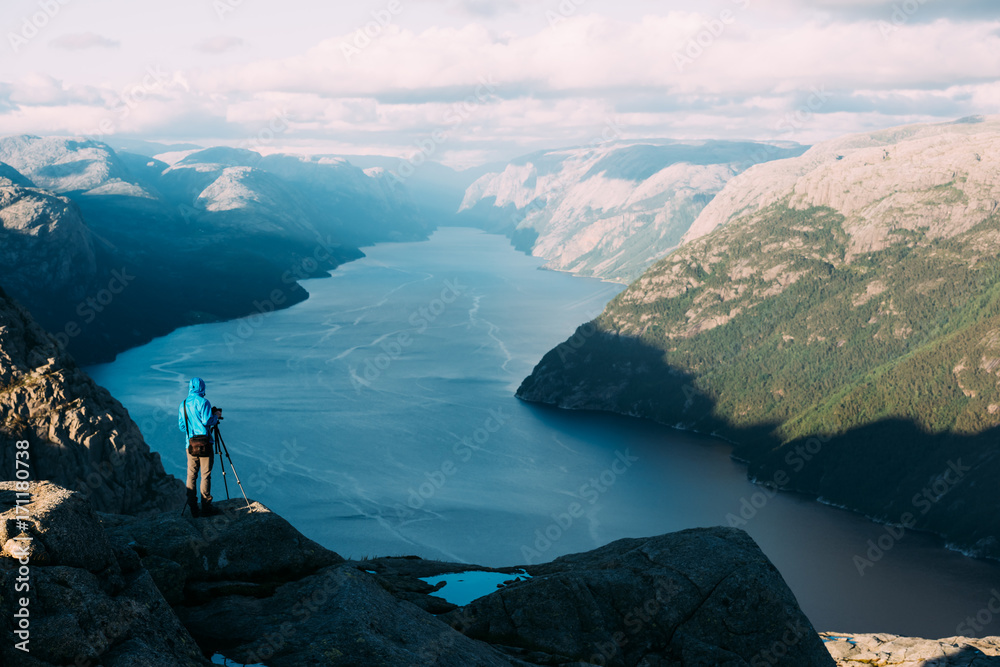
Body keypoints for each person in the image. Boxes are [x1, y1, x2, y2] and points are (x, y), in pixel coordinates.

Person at [178, 377, 220, 517]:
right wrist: (216, 416)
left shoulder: (183, 404)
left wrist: (192, 429)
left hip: (190, 444)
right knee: (205, 475)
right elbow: (207, 420)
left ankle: (193, 507)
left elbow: (182, 426)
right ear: (202, 387)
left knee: (191, 475)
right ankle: (206, 507)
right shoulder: (204, 402)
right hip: (205, 444)